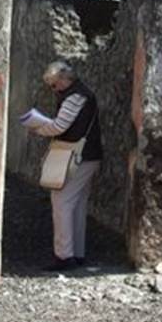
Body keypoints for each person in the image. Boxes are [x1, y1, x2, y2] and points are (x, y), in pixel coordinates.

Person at [29, 60, 102, 272]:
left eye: (54, 84)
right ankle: (76, 254)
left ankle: (64, 256)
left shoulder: (75, 96)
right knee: (77, 204)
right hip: (88, 155)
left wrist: (37, 128)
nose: (53, 89)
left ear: (64, 78)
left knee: (61, 201)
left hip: (78, 156)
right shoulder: (81, 93)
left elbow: (60, 126)